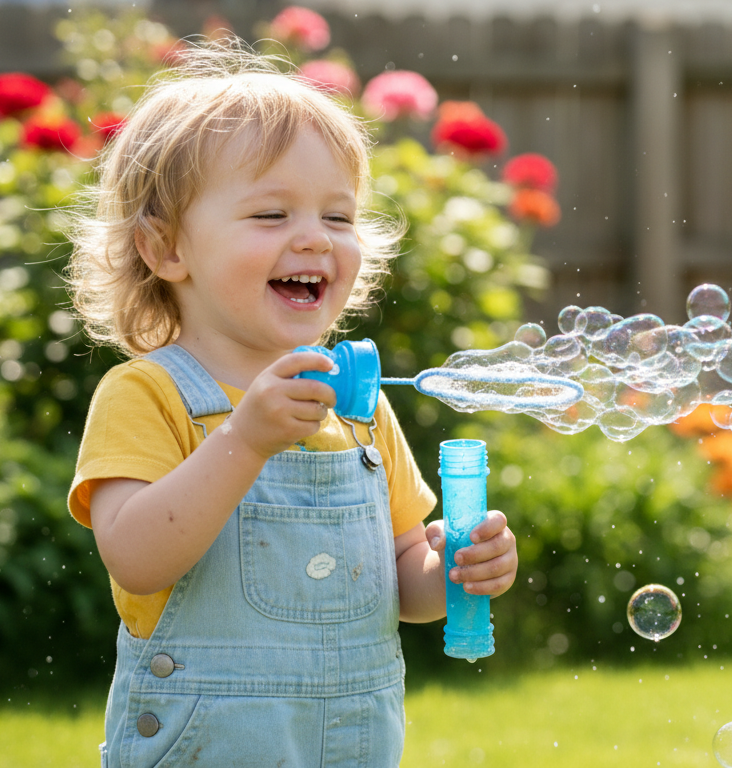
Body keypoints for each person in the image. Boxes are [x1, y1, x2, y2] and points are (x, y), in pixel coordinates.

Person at [64, 42, 518, 767]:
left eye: (338, 218)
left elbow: (406, 582)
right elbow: (136, 558)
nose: (314, 237)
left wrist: (453, 568)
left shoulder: (359, 408)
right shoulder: (148, 393)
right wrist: (245, 441)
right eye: (272, 213)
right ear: (164, 249)